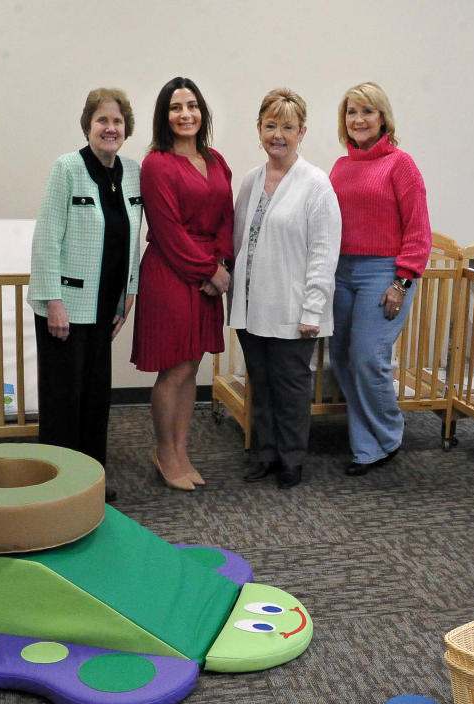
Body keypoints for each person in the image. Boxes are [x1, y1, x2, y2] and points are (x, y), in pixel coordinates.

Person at [28, 87, 143, 503]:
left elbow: (134, 236)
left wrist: (129, 292)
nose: (110, 128)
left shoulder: (131, 172)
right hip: (65, 309)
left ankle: (89, 485)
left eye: (117, 121)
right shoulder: (67, 169)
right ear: (89, 126)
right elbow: (45, 239)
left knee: (96, 401)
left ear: (126, 129)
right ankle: (57, 490)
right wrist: (52, 302)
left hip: (104, 308)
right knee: (64, 401)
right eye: (102, 120)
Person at [230, 89, 342, 489]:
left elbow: (324, 254)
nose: (278, 134)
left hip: (294, 310)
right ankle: (266, 453)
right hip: (249, 306)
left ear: (302, 132)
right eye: (270, 125)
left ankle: (292, 459)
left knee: (291, 388)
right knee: (259, 384)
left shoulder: (316, 185)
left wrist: (313, 310)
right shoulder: (250, 180)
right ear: (259, 129)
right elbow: (240, 240)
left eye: (287, 127)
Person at [132, 77, 233, 491]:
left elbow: (228, 216)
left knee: (192, 368)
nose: (185, 114)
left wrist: (221, 263)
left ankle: (181, 449)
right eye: (176, 107)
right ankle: (164, 452)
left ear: (202, 112)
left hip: (209, 272)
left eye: (192, 106)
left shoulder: (216, 159)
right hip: (172, 274)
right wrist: (210, 271)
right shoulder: (157, 163)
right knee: (174, 369)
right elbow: (168, 231)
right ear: (164, 116)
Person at [328, 82, 431, 476]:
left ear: (383, 117)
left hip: (384, 272)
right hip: (342, 271)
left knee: (368, 358)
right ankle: (365, 444)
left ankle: (386, 437)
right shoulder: (340, 167)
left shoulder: (401, 164)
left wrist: (402, 282)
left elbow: (419, 230)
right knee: (341, 357)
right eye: (352, 112)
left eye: (367, 112)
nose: (359, 120)